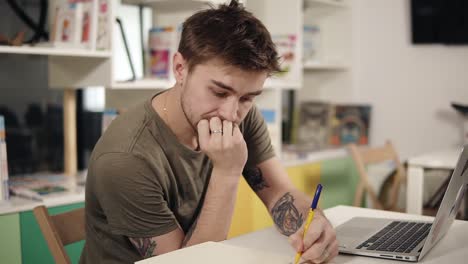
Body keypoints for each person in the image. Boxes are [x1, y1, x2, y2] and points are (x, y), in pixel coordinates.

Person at [80, 1, 338, 263]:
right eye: (219, 92)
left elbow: (280, 193)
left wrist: (313, 222)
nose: (230, 113)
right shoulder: (126, 159)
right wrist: (227, 171)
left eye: (248, 97)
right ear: (181, 69)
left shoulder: (240, 114)